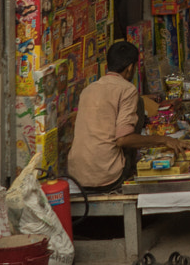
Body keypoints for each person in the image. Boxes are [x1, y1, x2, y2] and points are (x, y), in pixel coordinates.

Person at [65, 41, 179, 192]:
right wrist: (164, 140)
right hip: (108, 177)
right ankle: (130, 169)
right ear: (131, 67)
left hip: (77, 176)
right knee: (139, 103)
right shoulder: (127, 90)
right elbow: (123, 140)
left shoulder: (88, 89)